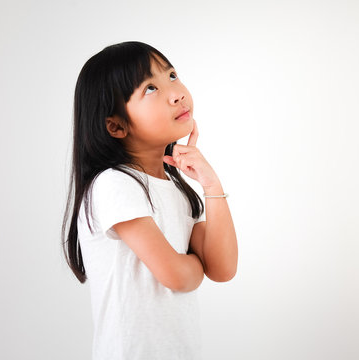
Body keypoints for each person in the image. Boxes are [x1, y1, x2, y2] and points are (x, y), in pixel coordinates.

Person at [61, 41, 238, 360]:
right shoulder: (115, 184)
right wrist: (197, 264)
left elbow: (223, 268)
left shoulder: (175, 188)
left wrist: (211, 183)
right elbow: (177, 276)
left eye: (172, 75)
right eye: (151, 88)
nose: (176, 92)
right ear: (116, 125)